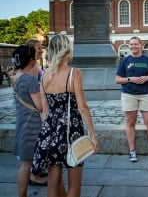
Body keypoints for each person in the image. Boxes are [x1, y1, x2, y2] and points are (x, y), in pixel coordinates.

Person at [31, 34, 99, 197]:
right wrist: (93, 135)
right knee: (74, 185)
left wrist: (47, 132)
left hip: (50, 131)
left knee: (53, 185)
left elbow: (44, 110)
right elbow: (82, 107)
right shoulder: (74, 73)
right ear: (67, 49)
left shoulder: (44, 76)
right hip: (71, 131)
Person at [115, 36, 148, 162]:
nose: (133, 46)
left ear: (140, 45)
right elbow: (117, 79)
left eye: (135, 44)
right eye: (131, 44)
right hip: (129, 94)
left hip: (145, 94)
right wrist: (130, 79)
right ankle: (132, 151)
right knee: (130, 123)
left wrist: (147, 78)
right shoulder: (124, 61)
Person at [12, 45, 47, 197]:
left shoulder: (17, 76)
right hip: (32, 126)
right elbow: (39, 105)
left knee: (25, 163)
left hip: (22, 123)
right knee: (26, 164)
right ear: (31, 59)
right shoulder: (30, 79)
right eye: (35, 53)